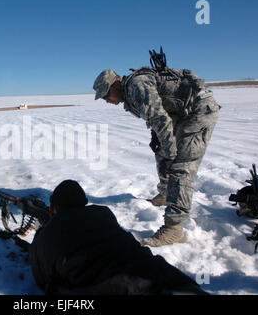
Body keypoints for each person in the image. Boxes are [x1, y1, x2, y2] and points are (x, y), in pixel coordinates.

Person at [93, 60, 220, 247]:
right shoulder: (130, 93)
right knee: (162, 153)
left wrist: (170, 150)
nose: (107, 101)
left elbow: (160, 118)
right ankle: (166, 194)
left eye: (106, 95)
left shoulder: (137, 86)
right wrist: (159, 142)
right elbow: (158, 114)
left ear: (116, 84)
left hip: (198, 111)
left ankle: (174, 228)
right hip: (181, 113)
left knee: (180, 166)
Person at [30, 180, 208, 295]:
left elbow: (41, 279)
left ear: (53, 207)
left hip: (114, 287)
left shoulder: (47, 235)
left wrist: (43, 233)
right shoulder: (103, 213)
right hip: (163, 275)